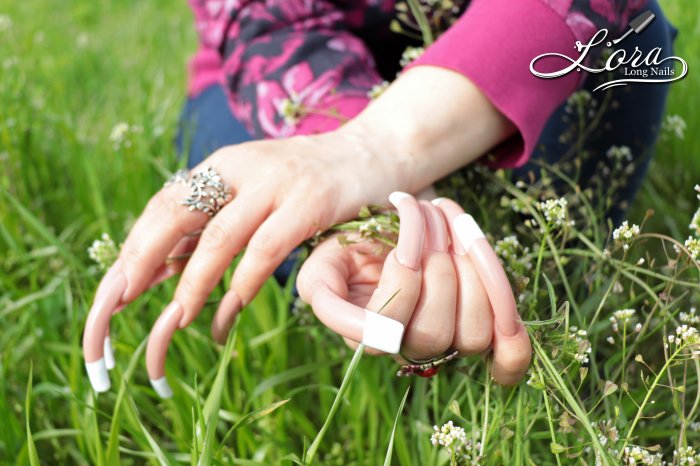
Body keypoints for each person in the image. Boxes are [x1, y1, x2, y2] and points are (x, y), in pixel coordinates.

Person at [83, 0, 678, 393]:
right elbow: (262, 18)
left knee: (539, 286)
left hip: (526, 55)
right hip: (279, 78)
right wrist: (360, 195)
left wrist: (376, 148)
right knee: (369, 274)